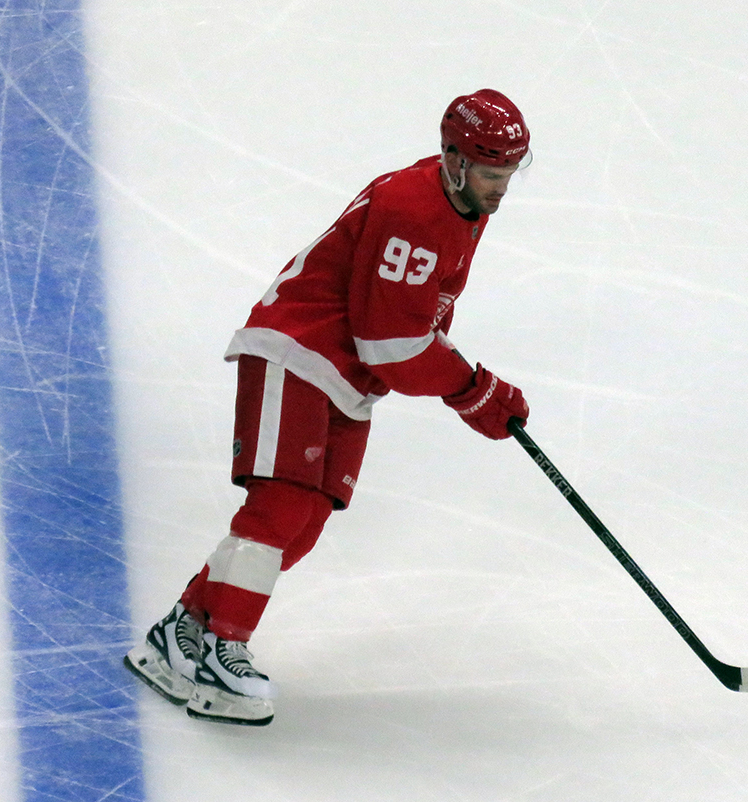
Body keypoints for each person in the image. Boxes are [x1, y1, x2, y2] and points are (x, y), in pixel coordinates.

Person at [124, 89, 532, 725]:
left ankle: (184, 631)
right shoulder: (413, 208)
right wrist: (470, 388)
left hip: (349, 375)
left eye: (508, 174)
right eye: (489, 173)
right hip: (300, 349)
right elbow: (388, 338)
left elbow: (407, 322)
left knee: (306, 520)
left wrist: (468, 384)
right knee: (280, 502)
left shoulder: (464, 206)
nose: (500, 188)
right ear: (453, 159)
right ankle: (222, 646)